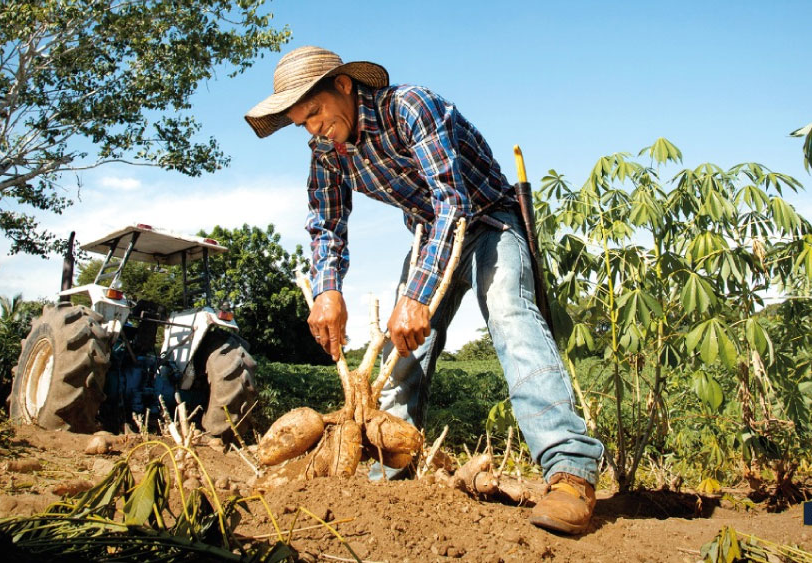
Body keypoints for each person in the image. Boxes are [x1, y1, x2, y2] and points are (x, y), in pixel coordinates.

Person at [244, 46, 604, 535]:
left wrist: (415, 297)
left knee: (508, 314)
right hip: (427, 235)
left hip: (488, 221)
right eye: (300, 123)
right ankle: (387, 468)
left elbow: (451, 200)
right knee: (403, 348)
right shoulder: (327, 153)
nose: (313, 129)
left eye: (315, 113)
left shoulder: (410, 106)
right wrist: (327, 290)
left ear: (344, 86)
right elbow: (327, 225)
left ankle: (570, 472)